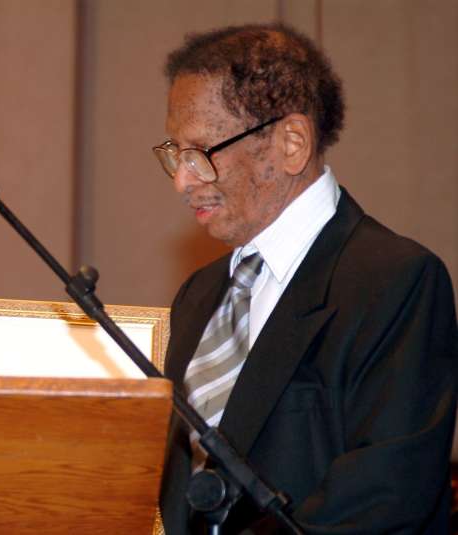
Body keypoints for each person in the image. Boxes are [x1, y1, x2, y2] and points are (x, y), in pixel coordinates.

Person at [152, 23, 457, 533]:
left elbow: (384, 498)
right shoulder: (198, 295)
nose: (183, 180)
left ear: (291, 143)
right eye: (175, 155)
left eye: (200, 153)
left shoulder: (394, 281)